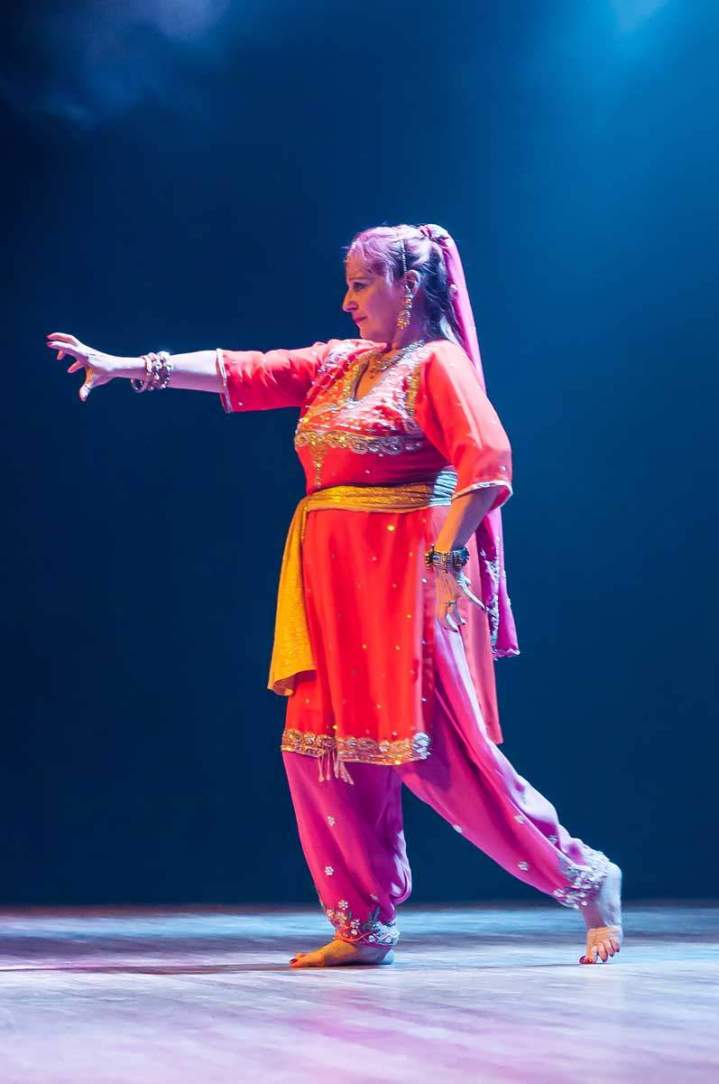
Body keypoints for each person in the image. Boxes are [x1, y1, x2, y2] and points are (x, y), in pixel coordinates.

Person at [46, 222, 622, 968]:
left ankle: (582, 876)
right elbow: (241, 370)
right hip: (329, 587)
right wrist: (127, 367)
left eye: (360, 283)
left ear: (406, 286)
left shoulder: (436, 365)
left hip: (404, 580)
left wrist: (448, 558)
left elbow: (486, 463)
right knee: (319, 753)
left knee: (435, 756)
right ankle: (362, 921)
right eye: (347, 283)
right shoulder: (337, 363)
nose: (347, 300)